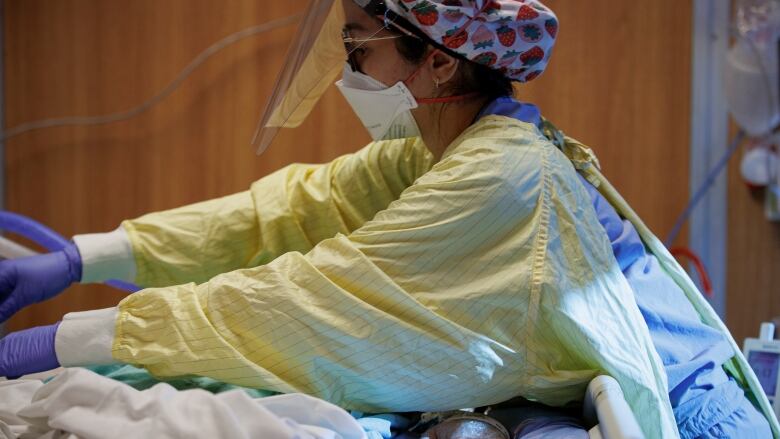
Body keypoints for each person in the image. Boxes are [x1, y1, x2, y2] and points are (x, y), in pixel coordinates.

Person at [0, 1, 774, 437]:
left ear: (439, 60)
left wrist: (70, 338)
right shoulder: (443, 147)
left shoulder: (502, 177)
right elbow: (288, 210)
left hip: (696, 412)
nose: (348, 71)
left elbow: (316, 302)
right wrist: (80, 257)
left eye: (357, 48)